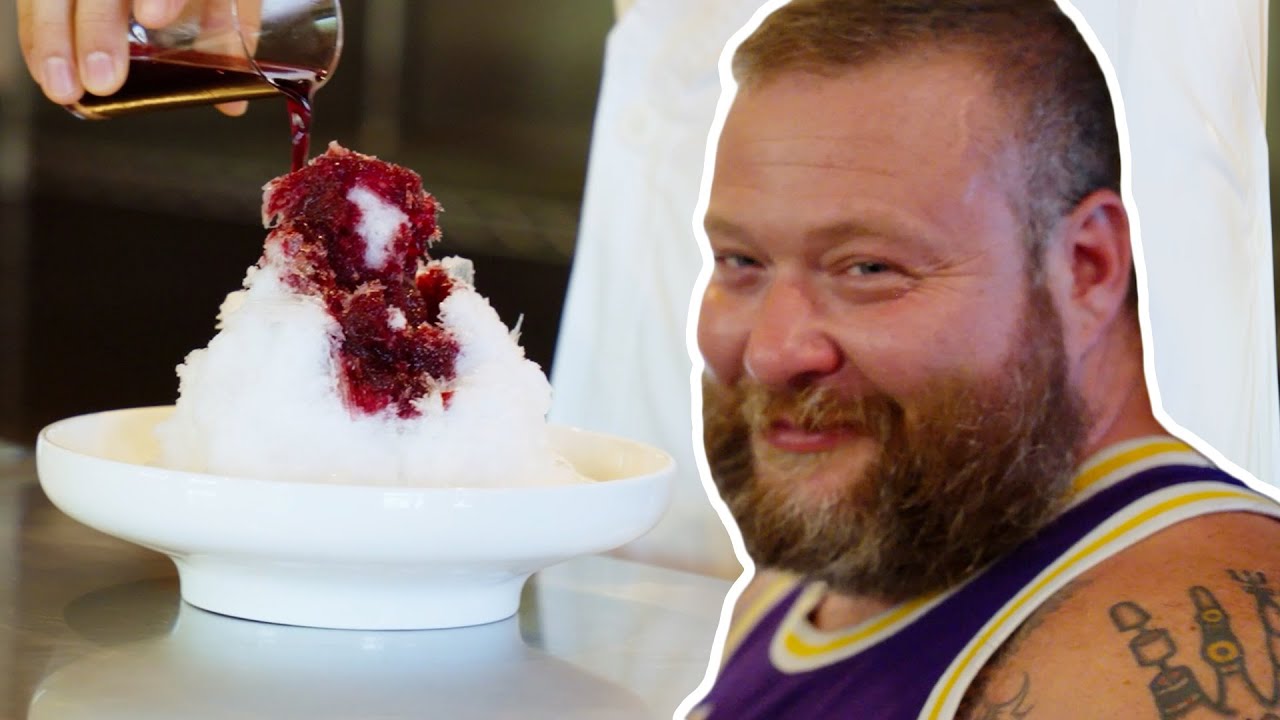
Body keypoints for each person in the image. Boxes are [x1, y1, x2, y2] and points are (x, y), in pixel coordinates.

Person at [687, 1, 1280, 718]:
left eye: (869, 268)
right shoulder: (849, 548)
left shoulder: (1138, 649)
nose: (772, 352)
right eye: (741, 260)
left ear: (1085, 268)